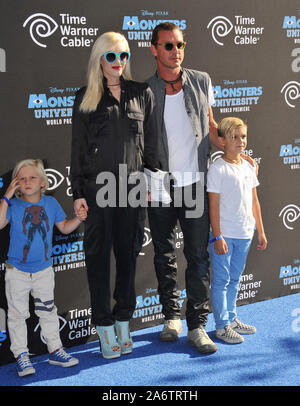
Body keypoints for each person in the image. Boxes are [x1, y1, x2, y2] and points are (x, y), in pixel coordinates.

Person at [70, 32, 158, 359]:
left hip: (133, 190)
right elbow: (77, 150)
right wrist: (78, 192)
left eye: (123, 55)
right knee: (97, 260)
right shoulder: (85, 97)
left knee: (128, 258)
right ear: (99, 59)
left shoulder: (141, 93)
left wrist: (151, 182)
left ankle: (123, 319)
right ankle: (103, 325)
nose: (118, 62)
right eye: (111, 56)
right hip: (97, 191)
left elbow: (151, 146)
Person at [146, 22, 226, 353]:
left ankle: (197, 326)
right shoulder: (145, 90)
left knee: (197, 257)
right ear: (154, 50)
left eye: (180, 45)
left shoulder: (202, 81)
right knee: (164, 254)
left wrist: (235, 154)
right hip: (160, 186)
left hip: (195, 185)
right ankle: (171, 318)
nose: (175, 51)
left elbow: (210, 125)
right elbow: (139, 142)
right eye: (168, 46)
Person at [0, 159, 86, 377]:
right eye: (22, 178)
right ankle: (21, 355)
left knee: (48, 311)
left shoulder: (50, 204)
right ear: (15, 183)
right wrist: (6, 196)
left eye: (32, 177)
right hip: (16, 271)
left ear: (43, 183)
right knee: (18, 315)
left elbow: (65, 228)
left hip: (44, 271)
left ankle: (55, 349)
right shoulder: (12, 205)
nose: (27, 182)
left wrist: (77, 218)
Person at [207, 117, 267, 343]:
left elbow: (254, 202)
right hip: (225, 236)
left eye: (243, 137)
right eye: (234, 137)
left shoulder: (249, 167)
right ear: (221, 141)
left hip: (245, 233)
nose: (240, 141)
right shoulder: (217, 169)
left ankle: (231, 319)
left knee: (235, 279)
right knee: (221, 280)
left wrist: (260, 231)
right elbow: (213, 206)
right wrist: (218, 236)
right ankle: (221, 326)